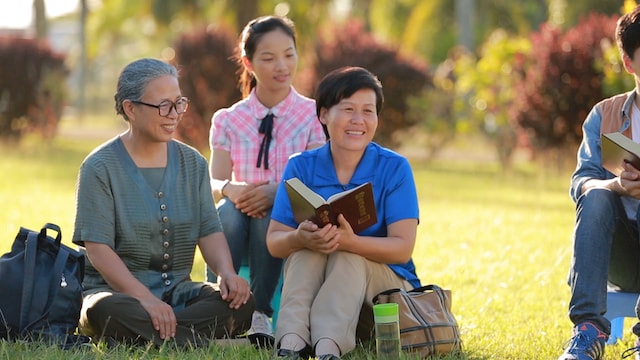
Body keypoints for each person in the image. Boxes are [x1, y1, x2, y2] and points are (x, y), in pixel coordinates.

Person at [72, 58, 255, 347]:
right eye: (163, 106)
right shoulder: (99, 167)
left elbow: (209, 230)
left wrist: (227, 274)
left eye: (179, 103)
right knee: (101, 311)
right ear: (130, 108)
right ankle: (213, 342)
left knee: (241, 303)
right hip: (117, 296)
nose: (174, 114)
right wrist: (144, 299)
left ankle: (153, 335)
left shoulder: (193, 163)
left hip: (178, 295)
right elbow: (97, 249)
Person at [266, 66, 421, 360]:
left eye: (368, 111)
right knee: (305, 251)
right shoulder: (301, 166)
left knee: (347, 255)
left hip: (384, 297)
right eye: (348, 109)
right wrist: (300, 237)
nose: (358, 120)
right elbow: (274, 242)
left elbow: (402, 249)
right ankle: (292, 343)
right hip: (327, 292)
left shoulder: (394, 167)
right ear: (324, 115)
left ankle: (327, 348)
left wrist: (350, 243)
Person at [207, 15, 326, 344]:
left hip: (287, 216)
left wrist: (278, 192)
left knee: (271, 216)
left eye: (289, 54)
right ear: (248, 62)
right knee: (227, 215)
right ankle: (215, 307)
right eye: (269, 58)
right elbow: (213, 184)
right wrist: (233, 189)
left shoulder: (313, 116)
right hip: (238, 213)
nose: (282, 65)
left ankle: (261, 315)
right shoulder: (228, 119)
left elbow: (316, 179)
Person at [559, 5, 640, 360]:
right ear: (628, 63)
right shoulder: (604, 115)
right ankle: (588, 332)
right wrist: (617, 186)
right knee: (595, 195)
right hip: (620, 252)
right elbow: (581, 183)